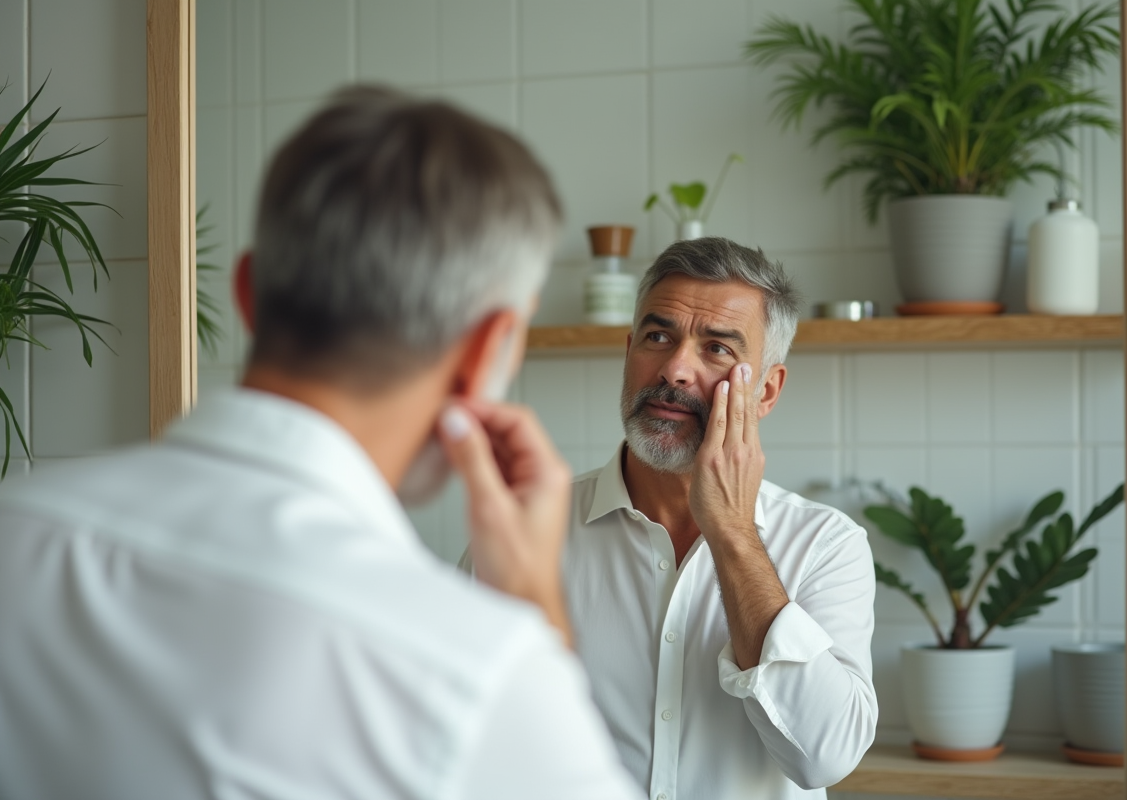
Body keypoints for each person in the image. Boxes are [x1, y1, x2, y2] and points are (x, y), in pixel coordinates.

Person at [0, 86, 640, 800]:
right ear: (485, 349)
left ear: (249, 294)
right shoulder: (477, 672)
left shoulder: (16, 529)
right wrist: (534, 604)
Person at [565, 237, 878, 800]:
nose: (675, 369)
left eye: (716, 349)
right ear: (629, 351)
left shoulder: (827, 545)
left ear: (766, 391)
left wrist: (733, 532)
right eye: (658, 337)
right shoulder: (529, 528)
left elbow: (825, 758)